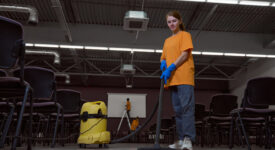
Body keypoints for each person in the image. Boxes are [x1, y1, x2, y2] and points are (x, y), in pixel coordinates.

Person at [160, 10, 195, 150]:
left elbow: (185, 54)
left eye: (174, 21)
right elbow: (163, 57)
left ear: (180, 21)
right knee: (178, 111)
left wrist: (171, 67)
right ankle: (181, 140)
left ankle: (188, 139)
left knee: (187, 109)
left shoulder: (185, 35)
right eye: (169, 22)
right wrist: (163, 64)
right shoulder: (167, 41)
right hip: (172, 79)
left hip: (184, 76)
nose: (171, 24)